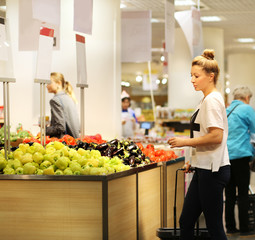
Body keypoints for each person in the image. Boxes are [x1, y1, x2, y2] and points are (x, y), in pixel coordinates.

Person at [168, 49, 230, 240]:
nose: (192, 80)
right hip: (203, 168)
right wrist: (192, 161)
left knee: (214, 227)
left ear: (211, 77)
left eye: (196, 76)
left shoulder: (212, 101)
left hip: (213, 171)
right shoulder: (205, 99)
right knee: (186, 221)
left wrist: (184, 142)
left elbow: (215, 137)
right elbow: (203, 134)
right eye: (191, 76)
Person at [225, 86, 255, 237]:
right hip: (241, 157)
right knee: (242, 193)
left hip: (226, 157)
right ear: (247, 97)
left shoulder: (226, 110)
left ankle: (230, 228)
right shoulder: (247, 109)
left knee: (229, 194)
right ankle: (244, 228)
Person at [46, 72, 80, 139]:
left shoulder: (55, 100)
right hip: (74, 140)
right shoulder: (69, 97)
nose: (46, 86)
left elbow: (60, 128)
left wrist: (44, 130)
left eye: (49, 83)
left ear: (59, 83)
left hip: (64, 142)